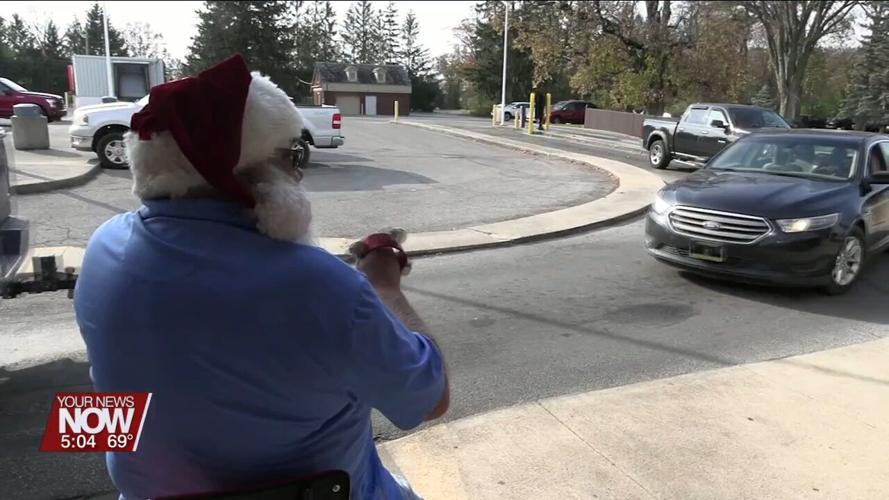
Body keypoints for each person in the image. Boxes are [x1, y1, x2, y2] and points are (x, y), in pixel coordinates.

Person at [73, 54, 448, 500]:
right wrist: (382, 285)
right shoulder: (320, 287)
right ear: (239, 171)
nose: (298, 172)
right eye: (290, 155)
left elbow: (98, 418)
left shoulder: (102, 249)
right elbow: (430, 399)